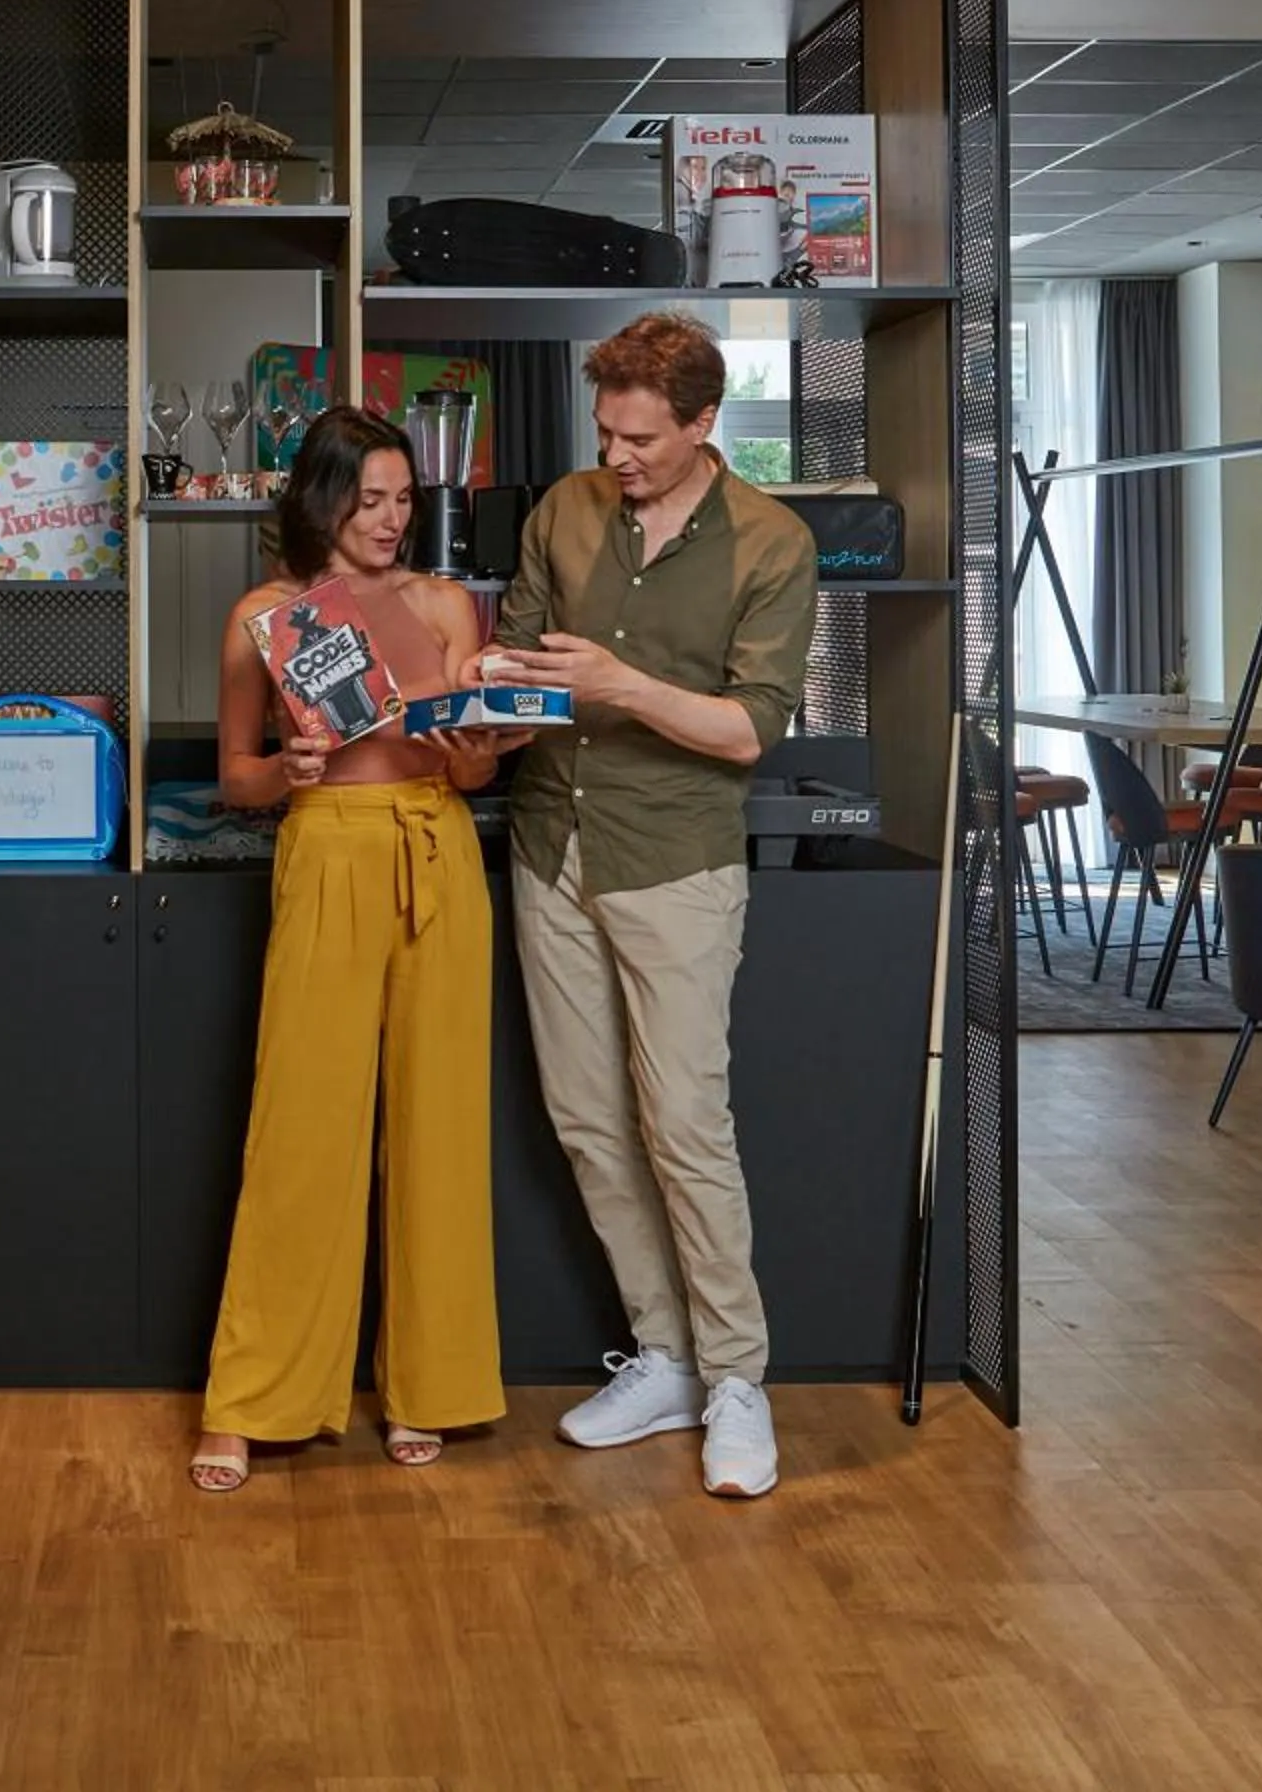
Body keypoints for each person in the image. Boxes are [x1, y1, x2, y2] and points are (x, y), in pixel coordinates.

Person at [474, 311, 815, 1498]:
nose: (616, 455)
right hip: (552, 842)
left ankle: (737, 1380)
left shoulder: (772, 542)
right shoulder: (563, 511)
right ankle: (664, 1354)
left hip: (675, 857)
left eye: (640, 437)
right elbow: (520, 665)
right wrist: (484, 697)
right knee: (584, 1117)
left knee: (684, 1125)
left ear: (704, 423)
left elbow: (748, 728)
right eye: (606, 430)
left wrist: (617, 682)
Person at [188, 404, 520, 1493]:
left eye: (402, 500)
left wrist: (483, 748)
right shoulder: (265, 616)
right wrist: (284, 772)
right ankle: (250, 1399)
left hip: (438, 854)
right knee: (302, 1129)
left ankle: (428, 1386)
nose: (389, 519)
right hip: (326, 849)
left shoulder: (444, 602)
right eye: (368, 499)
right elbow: (234, 774)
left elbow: (469, 773)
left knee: (438, 1126)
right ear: (320, 500)